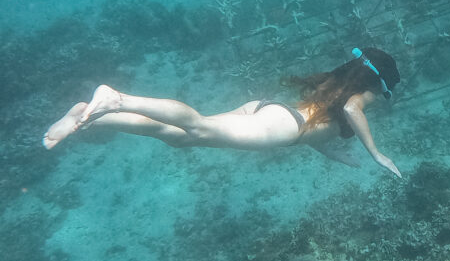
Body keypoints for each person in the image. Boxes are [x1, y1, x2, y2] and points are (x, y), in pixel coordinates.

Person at [42, 47, 402, 177]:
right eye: (383, 94)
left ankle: (90, 118)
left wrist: (331, 152)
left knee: (181, 139)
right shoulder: (361, 96)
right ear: (378, 85)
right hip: (280, 126)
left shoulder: (335, 88)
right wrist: (377, 154)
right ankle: (117, 99)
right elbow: (354, 109)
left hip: (271, 112)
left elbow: (319, 124)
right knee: (195, 127)